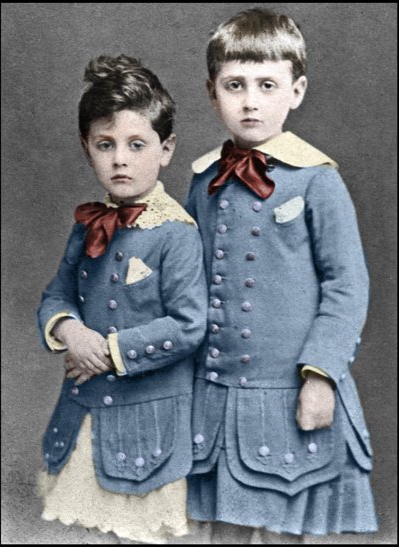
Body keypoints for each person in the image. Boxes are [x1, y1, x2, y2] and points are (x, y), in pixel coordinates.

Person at [185, 8, 378, 537]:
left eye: (266, 85)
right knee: (220, 530)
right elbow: (189, 284)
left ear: (296, 91)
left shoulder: (318, 181)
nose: (250, 101)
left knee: (284, 529)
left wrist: (321, 375)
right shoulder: (203, 181)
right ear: (212, 93)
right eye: (235, 85)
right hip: (216, 396)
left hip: (291, 390)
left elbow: (347, 286)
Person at [36, 54, 207, 544]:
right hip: (85, 413)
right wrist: (70, 330)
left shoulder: (176, 233)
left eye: (136, 144)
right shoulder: (87, 224)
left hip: (147, 423)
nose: (120, 160)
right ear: (86, 147)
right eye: (105, 144)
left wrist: (110, 351)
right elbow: (57, 293)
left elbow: (189, 325)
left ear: (165, 148)